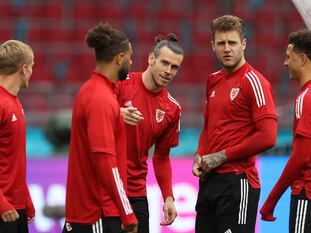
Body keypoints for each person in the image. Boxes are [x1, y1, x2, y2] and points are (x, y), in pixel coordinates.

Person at [192, 15, 277, 233]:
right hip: (210, 180)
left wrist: (222, 156)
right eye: (221, 43)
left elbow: (268, 136)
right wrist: (199, 155)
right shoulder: (213, 80)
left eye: (232, 43)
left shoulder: (254, 81)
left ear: (244, 44)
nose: (227, 48)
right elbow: (208, 125)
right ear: (213, 46)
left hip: (238, 181)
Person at [62, 22, 138, 233]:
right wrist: (127, 211)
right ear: (119, 58)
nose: (131, 62)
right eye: (130, 57)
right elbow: (104, 159)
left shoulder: (93, 90)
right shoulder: (101, 98)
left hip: (89, 213)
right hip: (97, 213)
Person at [115, 33, 184, 233]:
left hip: (135, 192)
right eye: (164, 63)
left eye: (174, 67)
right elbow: (88, 115)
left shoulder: (172, 108)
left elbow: (162, 157)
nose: (168, 71)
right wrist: (116, 113)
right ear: (151, 58)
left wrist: (168, 197)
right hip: (104, 187)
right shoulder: (120, 84)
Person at [260, 29, 311, 232]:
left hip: (306, 193)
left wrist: (271, 200)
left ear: (302, 59)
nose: (285, 63)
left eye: (288, 57)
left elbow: (301, 157)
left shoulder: (305, 98)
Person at [0, 40, 35, 233]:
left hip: (15, 206)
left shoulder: (15, 103)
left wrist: (25, 198)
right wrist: (2, 204)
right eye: (32, 65)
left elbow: (13, 158)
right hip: (3, 209)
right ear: (24, 68)